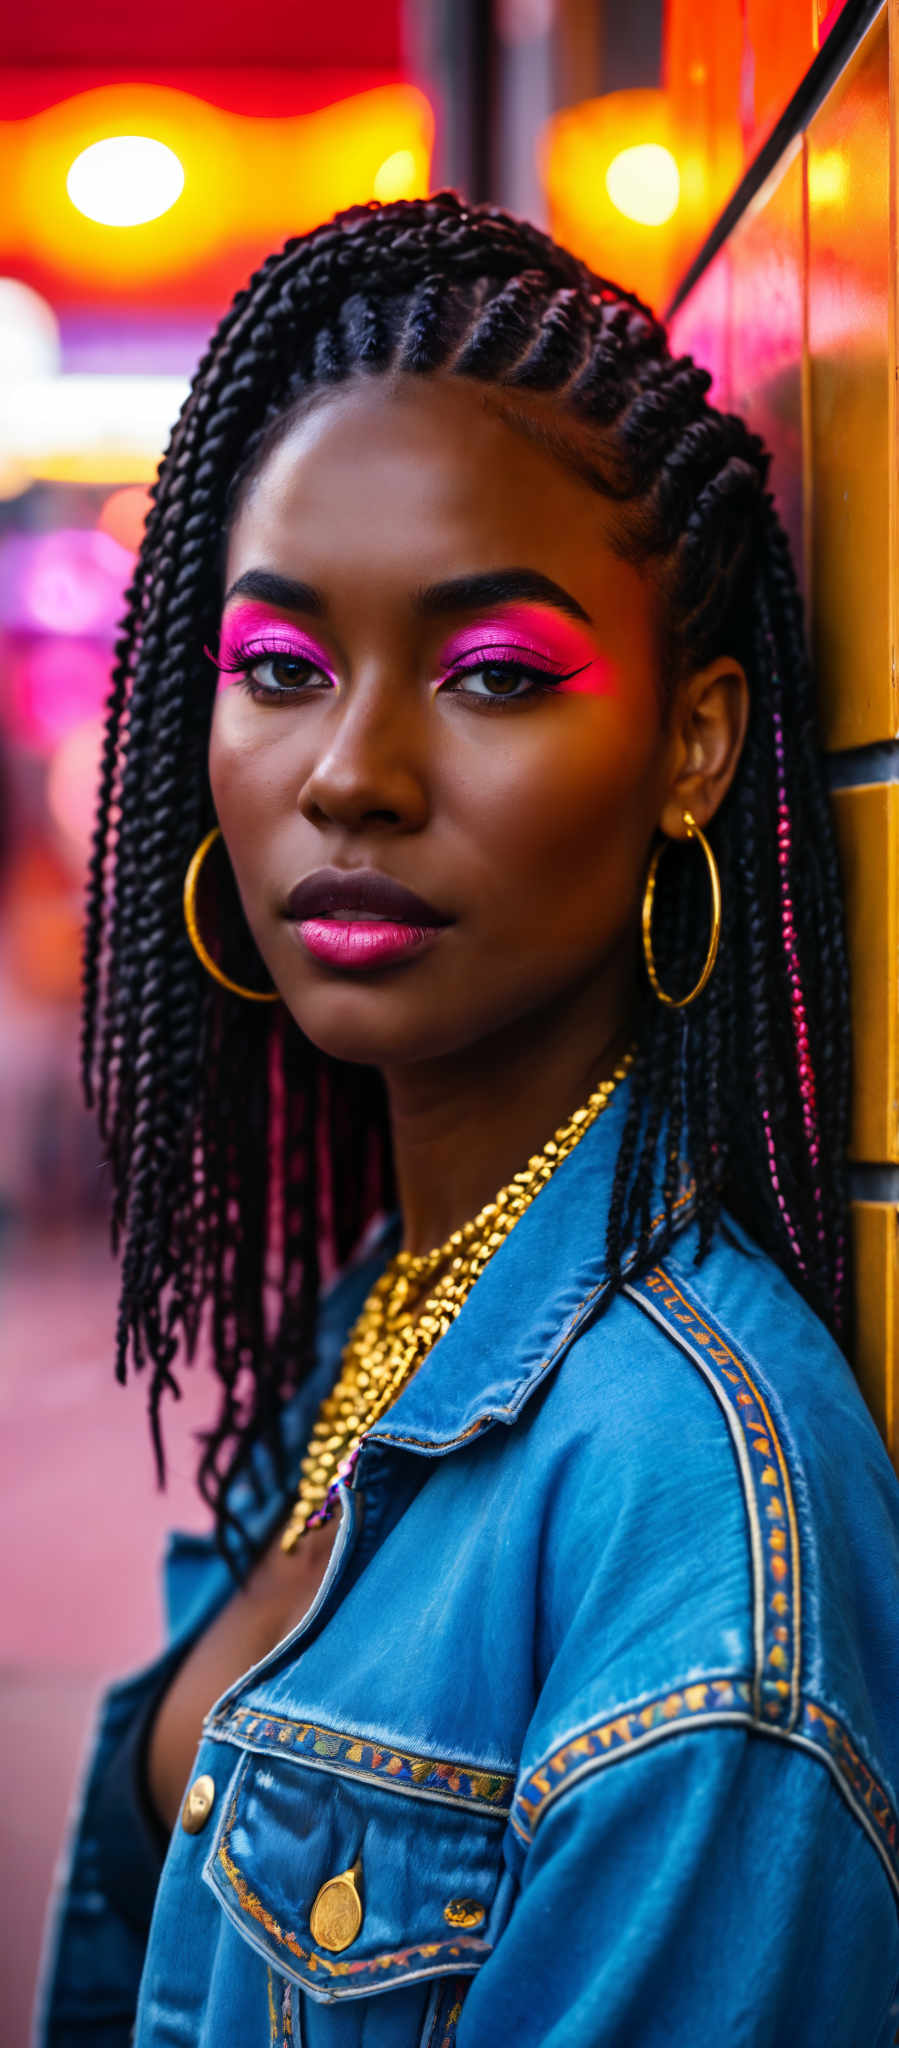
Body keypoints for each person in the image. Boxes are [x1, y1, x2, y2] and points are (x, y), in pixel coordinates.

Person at [35, 191, 899, 2047]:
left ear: (697, 742)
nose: (351, 772)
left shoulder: (699, 1521)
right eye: (279, 670)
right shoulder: (398, 1304)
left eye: (493, 674)